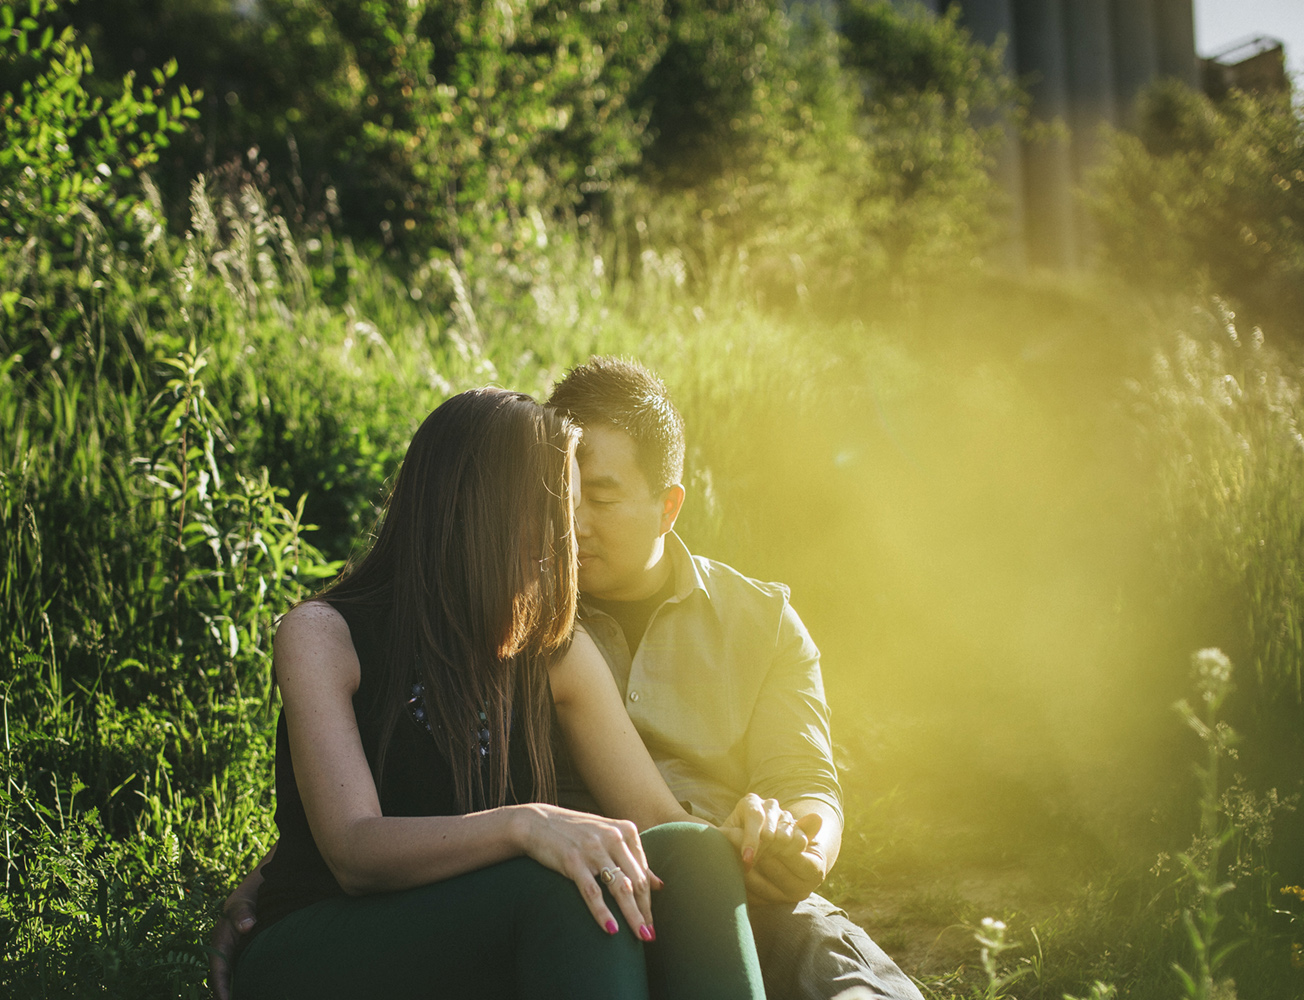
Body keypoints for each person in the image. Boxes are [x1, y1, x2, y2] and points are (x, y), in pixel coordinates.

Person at [212, 365, 920, 999]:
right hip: (332, 935)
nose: (570, 534)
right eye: (555, 509)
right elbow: (354, 851)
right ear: (481, 510)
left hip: (483, 917)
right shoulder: (323, 635)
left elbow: (659, 823)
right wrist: (527, 825)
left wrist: (751, 839)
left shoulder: (552, 647)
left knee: (687, 859)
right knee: (569, 887)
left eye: (586, 505)